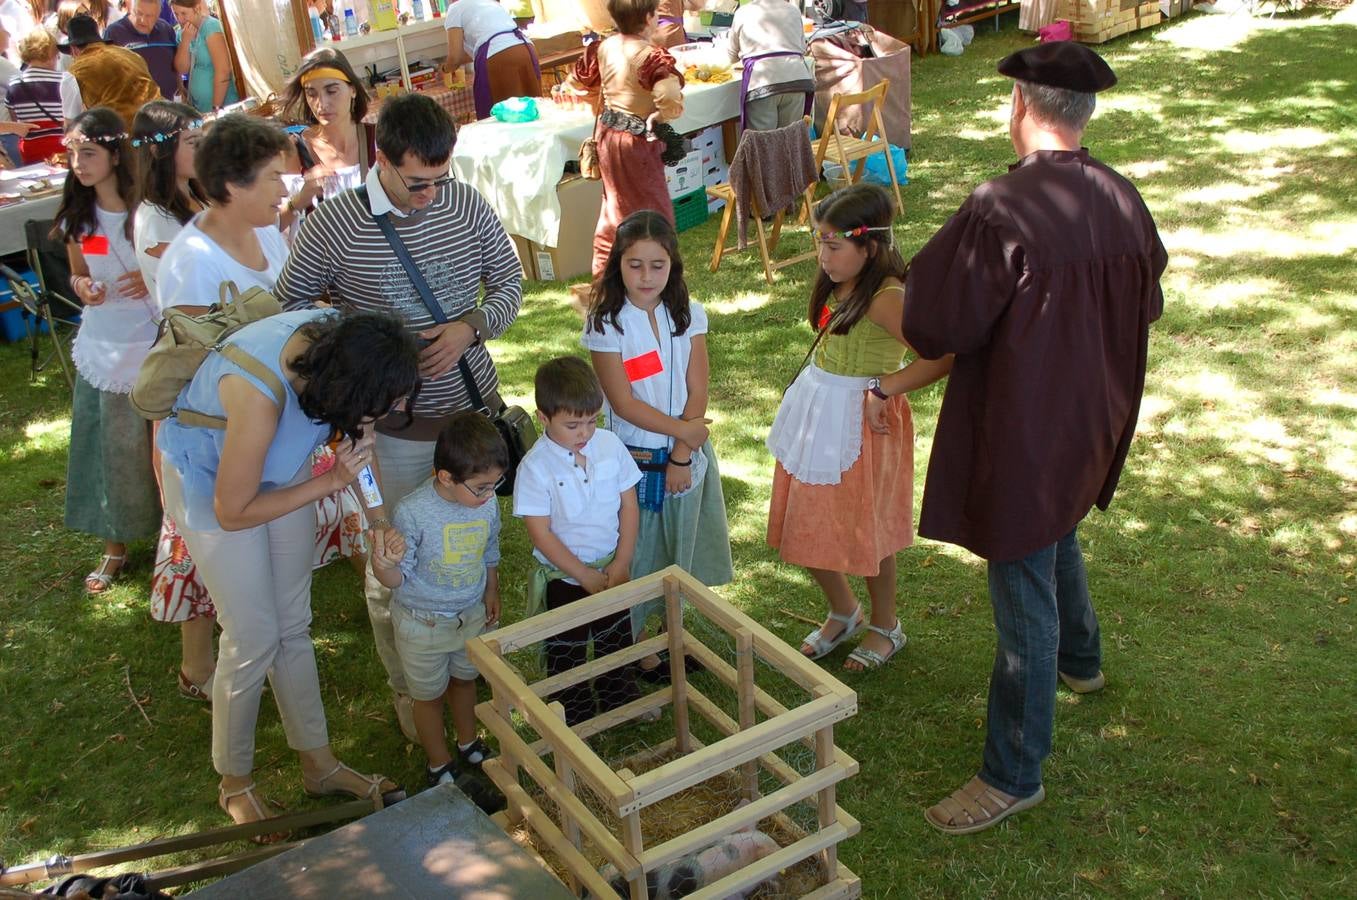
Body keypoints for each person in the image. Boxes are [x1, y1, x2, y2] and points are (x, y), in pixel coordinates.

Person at [896, 43, 1166, 834]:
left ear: (1019, 107)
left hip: (1027, 425)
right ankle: (1080, 661)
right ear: (1080, 115)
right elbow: (1144, 302)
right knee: (1056, 528)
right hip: (1092, 418)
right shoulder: (1122, 196)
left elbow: (934, 323)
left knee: (1022, 580)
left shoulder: (1000, 208)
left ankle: (1012, 772)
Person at [276, 91, 522, 744]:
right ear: (380, 158)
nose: (430, 198)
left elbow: (509, 285)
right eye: (417, 184)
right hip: (391, 437)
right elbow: (290, 314)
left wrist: (470, 327)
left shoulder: (465, 202)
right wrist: (364, 358)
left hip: (470, 420)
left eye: (440, 181)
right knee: (395, 566)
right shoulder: (334, 225)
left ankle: (466, 683)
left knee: (466, 554)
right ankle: (414, 696)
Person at [157, 305, 415, 836]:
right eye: (389, 402)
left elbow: (357, 449)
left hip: (283, 469)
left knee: (293, 624)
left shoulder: (341, 350)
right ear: (352, 385)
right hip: (213, 488)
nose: (399, 408)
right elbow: (234, 510)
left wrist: (378, 519)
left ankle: (318, 764)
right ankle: (234, 781)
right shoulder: (257, 394)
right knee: (253, 636)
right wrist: (327, 484)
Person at [766, 183, 952, 672]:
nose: (821, 254)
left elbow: (941, 356)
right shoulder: (841, 283)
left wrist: (884, 388)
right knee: (803, 521)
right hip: (818, 411)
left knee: (868, 531)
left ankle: (886, 625)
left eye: (833, 244)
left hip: (862, 427)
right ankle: (843, 611)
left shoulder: (887, 298)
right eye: (819, 241)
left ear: (869, 246)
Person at [581, 210, 732, 672]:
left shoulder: (688, 314)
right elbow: (622, 402)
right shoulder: (607, 324)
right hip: (635, 459)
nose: (646, 277)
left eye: (657, 265)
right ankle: (642, 647)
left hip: (685, 455)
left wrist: (684, 452)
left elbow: (698, 385)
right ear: (617, 265)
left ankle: (671, 632)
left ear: (673, 266)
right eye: (634, 265)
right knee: (639, 549)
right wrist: (684, 431)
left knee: (677, 546)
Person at [53, 107, 161, 594]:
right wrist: (82, 286)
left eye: (89, 152)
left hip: (153, 342)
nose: (78, 162)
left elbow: (181, 263)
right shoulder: (80, 215)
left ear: (116, 156)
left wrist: (151, 276)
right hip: (106, 344)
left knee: (160, 450)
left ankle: (172, 538)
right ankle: (114, 545)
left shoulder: (148, 211)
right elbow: (79, 270)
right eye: (73, 153)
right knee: (113, 451)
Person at [371, 411, 505, 787]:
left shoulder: (487, 503)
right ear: (445, 477)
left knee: (464, 680)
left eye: (495, 484)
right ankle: (439, 763)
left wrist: (490, 589)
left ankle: (467, 741)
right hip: (422, 624)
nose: (489, 494)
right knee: (426, 697)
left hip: (470, 614)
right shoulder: (412, 512)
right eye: (480, 487)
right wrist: (384, 563)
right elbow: (397, 578)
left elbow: (489, 547)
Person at [513, 356, 645, 726]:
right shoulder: (535, 467)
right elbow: (541, 532)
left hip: (612, 567)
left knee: (615, 636)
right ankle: (572, 707)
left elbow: (628, 506)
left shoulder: (609, 445)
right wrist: (582, 574)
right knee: (567, 647)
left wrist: (622, 561)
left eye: (591, 421)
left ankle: (619, 695)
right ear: (544, 418)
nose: (584, 432)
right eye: (572, 425)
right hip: (565, 577)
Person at [555, 0, 686, 279]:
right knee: (654, 214)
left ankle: (605, 280)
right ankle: (662, 281)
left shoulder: (605, 47)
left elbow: (579, 85)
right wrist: (660, 118)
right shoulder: (649, 55)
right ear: (649, 16)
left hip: (609, 137)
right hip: (635, 144)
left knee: (614, 211)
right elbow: (670, 95)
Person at [278, 46, 375, 217]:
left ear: (352, 90)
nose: (322, 103)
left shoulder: (377, 139)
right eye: (311, 94)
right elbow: (275, 227)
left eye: (331, 91)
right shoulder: (296, 150)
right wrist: (300, 199)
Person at [441, 0, 540, 121]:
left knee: (504, 119)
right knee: (532, 113)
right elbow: (471, 52)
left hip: (500, 58)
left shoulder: (455, 9)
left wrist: (444, 69)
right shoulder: (488, 2)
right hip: (525, 48)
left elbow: (455, 57)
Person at [725, 0, 813, 131]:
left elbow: (731, 56)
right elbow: (802, 48)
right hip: (796, 79)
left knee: (763, 144)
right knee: (790, 141)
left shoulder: (743, 13)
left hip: (763, 83)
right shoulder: (793, 11)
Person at [60, 12, 161, 126]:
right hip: (158, 124)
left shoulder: (75, 73)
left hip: (121, 136)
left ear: (73, 50)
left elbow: (70, 124)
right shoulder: (131, 56)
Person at [4, 26, 67, 163]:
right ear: (50, 55)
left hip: (30, 148)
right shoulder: (64, 79)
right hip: (61, 144)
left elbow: (16, 121)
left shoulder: (14, 83)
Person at [104, 0, 180, 103]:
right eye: (138, 13)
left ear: (158, 15)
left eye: (149, 16)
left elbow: (175, 65)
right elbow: (107, 74)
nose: (143, 20)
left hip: (169, 105)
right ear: (131, 10)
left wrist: (180, 86)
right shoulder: (114, 32)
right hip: (133, 108)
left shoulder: (166, 29)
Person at [169, 0, 236, 112]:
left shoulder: (210, 27)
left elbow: (223, 71)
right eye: (176, 14)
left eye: (184, 13)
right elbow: (182, 69)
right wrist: (185, 41)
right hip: (200, 108)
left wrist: (216, 108)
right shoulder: (181, 33)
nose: (180, 19)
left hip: (222, 106)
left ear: (197, 7)